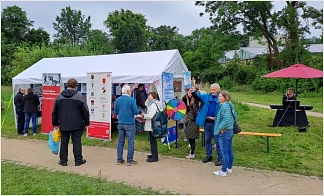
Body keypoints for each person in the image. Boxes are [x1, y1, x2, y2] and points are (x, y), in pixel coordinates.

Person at [52, 78, 90, 167]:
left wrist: (55, 123)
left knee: (64, 142)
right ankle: (78, 160)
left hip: (64, 123)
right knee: (77, 142)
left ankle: (63, 161)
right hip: (77, 124)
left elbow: (54, 111)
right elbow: (86, 111)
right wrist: (87, 123)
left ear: (66, 85)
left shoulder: (59, 96)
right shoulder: (79, 96)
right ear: (76, 86)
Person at [189, 83, 222, 166]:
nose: (213, 91)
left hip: (216, 123)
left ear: (218, 90)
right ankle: (209, 155)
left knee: (218, 141)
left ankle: (220, 158)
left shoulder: (221, 98)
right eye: (212, 89)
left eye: (215, 89)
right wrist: (193, 92)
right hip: (207, 122)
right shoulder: (207, 96)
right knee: (207, 140)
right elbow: (198, 97)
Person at [114, 84, 139, 166]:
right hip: (130, 123)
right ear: (128, 91)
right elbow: (136, 112)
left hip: (120, 123)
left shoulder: (117, 100)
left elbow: (116, 112)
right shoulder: (131, 100)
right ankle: (129, 160)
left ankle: (119, 159)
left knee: (120, 141)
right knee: (130, 142)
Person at [213, 90, 236, 177]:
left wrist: (220, 128)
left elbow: (226, 119)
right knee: (229, 150)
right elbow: (234, 117)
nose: (218, 97)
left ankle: (223, 171)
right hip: (229, 131)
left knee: (224, 152)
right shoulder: (229, 105)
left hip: (225, 132)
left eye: (220, 96)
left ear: (225, 97)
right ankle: (229, 168)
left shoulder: (225, 106)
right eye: (218, 96)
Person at [140, 91, 162, 162]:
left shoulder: (154, 105)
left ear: (154, 96)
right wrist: (148, 98)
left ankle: (155, 157)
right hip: (153, 125)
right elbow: (146, 104)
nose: (148, 97)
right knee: (152, 141)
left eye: (150, 96)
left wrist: (144, 115)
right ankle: (153, 154)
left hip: (152, 125)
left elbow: (150, 116)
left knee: (153, 141)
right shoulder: (153, 103)